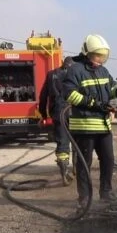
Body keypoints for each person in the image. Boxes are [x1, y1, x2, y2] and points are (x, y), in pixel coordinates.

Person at [62, 34, 117, 206]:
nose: (100, 59)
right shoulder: (76, 70)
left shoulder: (103, 71)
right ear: (87, 53)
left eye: (103, 56)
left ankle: (106, 192)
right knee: (84, 164)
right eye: (97, 55)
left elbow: (111, 89)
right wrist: (94, 104)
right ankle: (85, 197)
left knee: (108, 160)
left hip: (103, 127)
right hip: (84, 127)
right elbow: (70, 94)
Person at [38, 56, 75, 185]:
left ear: (62, 63)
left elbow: (43, 96)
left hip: (58, 113)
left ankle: (64, 172)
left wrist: (43, 115)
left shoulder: (51, 75)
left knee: (62, 143)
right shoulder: (77, 74)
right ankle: (76, 168)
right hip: (75, 112)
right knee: (78, 141)